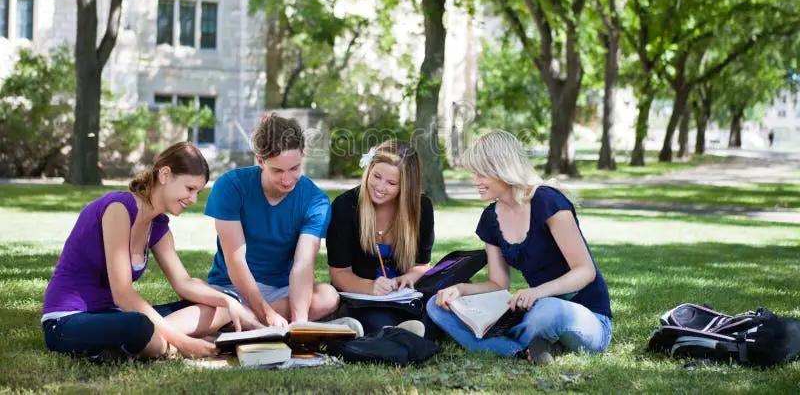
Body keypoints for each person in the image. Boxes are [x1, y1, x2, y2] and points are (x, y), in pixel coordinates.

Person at [42, 142, 260, 360]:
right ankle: (162, 344)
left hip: (113, 316)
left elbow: (184, 283)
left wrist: (229, 302)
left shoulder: (158, 226)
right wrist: (184, 342)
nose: (193, 200)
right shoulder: (119, 208)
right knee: (139, 326)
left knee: (220, 306)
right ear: (165, 175)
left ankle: (144, 344)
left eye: (198, 192)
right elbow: (122, 294)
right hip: (69, 320)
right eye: (190, 189)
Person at [427, 131, 612, 364]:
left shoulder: (548, 201)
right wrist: (460, 290)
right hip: (535, 310)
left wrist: (536, 293)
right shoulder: (490, 219)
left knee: (548, 311)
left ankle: (510, 342)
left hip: (586, 317)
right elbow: (498, 284)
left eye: (481, 173)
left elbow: (585, 271)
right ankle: (527, 349)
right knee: (436, 306)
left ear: (503, 169)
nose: (475, 181)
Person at [205, 113, 339, 327]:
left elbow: (303, 266)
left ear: (303, 155)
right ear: (260, 161)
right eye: (277, 170)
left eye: (294, 168)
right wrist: (266, 312)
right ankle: (245, 321)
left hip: (282, 291)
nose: (287, 180)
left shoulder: (316, 201)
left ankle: (237, 323)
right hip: (232, 286)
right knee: (215, 308)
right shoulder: (231, 186)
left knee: (328, 296)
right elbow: (236, 262)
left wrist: (300, 324)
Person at [327, 140, 435, 335]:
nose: (380, 187)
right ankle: (396, 331)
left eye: (391, 183)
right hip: (362, 295)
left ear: (406, 187)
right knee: (377, 319)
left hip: (403, 297)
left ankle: (401, 330)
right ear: (369, 169)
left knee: (444, 300)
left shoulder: (422, 208)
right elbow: (339, 272)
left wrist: (409, 277)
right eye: (376, 176)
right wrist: (370, 287)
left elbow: (421, 265)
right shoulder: (345, 206)